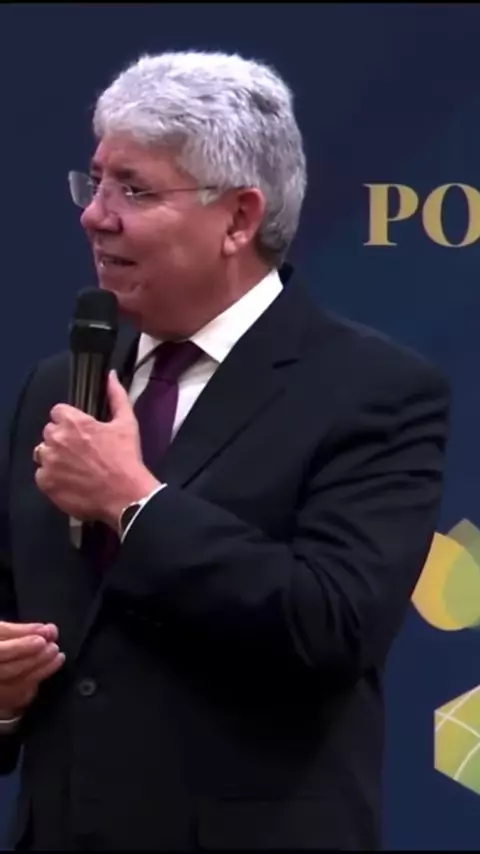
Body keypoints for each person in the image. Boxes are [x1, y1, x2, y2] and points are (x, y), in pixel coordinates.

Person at [0, 49, 449, 851]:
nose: (95, 215)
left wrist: (133, 504)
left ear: (239, 218)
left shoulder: (374, 390)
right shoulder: (60, 384)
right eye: (94, 183)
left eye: (134, 189)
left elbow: (330, 625)